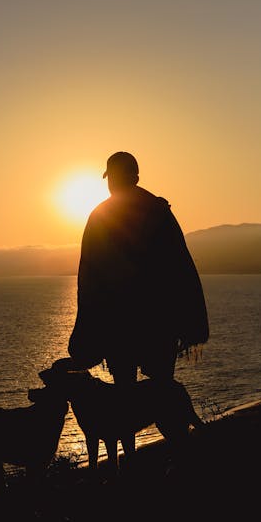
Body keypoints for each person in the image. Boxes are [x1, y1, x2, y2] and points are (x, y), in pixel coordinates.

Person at [68, 151, 209, 457]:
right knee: (161, 392)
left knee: (123, 396)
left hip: (119, 326)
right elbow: (181, 268)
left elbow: (89, 278)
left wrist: (88, 330)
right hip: (160, 323)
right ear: (136, 176)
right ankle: (180, 461)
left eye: (111, 178)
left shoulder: (101, 216)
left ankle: (132, 468)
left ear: (116, 179)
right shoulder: (159, 212)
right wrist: (191, 320)